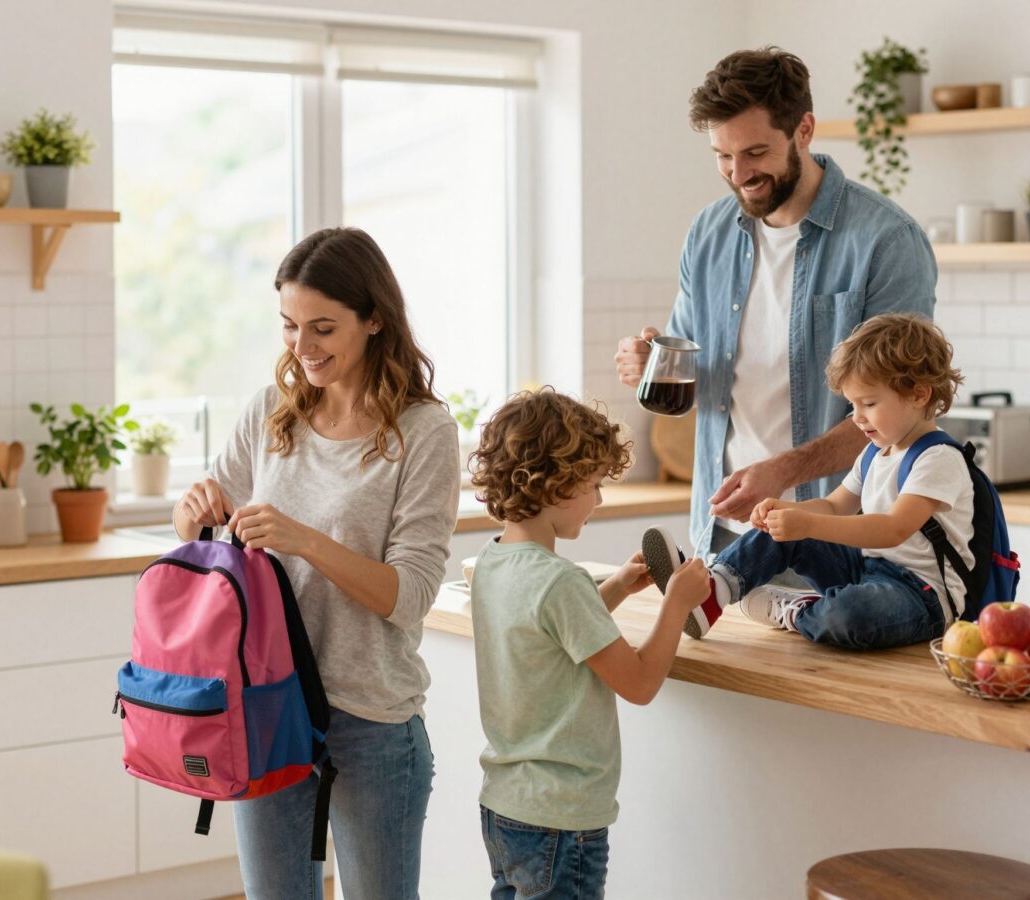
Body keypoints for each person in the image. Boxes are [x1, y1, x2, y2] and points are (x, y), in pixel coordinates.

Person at [173, 227, 460, 899]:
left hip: (372, 720)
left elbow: (411, 594)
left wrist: (304, 540)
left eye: (323, 328)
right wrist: (193, 513)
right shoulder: (271, 413)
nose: (302, 348)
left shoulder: (424, 432)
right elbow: (206, 546)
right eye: (289, 326)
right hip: (266, 704)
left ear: (374, 320)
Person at [614, 46, 937, 562]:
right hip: (723, 536)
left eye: (755, 153)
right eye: (723, 155)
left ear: (803, 130)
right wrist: (649, 359)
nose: (738, 173)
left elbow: (903, 411)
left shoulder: (886, 241)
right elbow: (692, 368)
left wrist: (785, 471)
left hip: (840, 542)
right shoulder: (709, 233)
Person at [467, 388, 709, 900]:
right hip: (560, 819)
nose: (599, 501)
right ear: (556, 484)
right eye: (594, 485)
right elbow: (640, 683)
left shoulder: (491, 563)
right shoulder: (561, 581)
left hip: (505, 807)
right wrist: (676, 604)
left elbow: (549, 634)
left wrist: (617, 587)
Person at [643, 314, 972, 649]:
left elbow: (892, 529)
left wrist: (808, 523)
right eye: (852, 405)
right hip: (868, 567)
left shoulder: (938, 457)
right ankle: (714, 591)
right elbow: (834, 505)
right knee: (781, 527)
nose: (857, 418)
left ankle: (797, 611)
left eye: (869, 404)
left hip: (921, 596)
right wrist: (784, 512)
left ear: (919, 395)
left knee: (849, 616)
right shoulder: (878, 452)